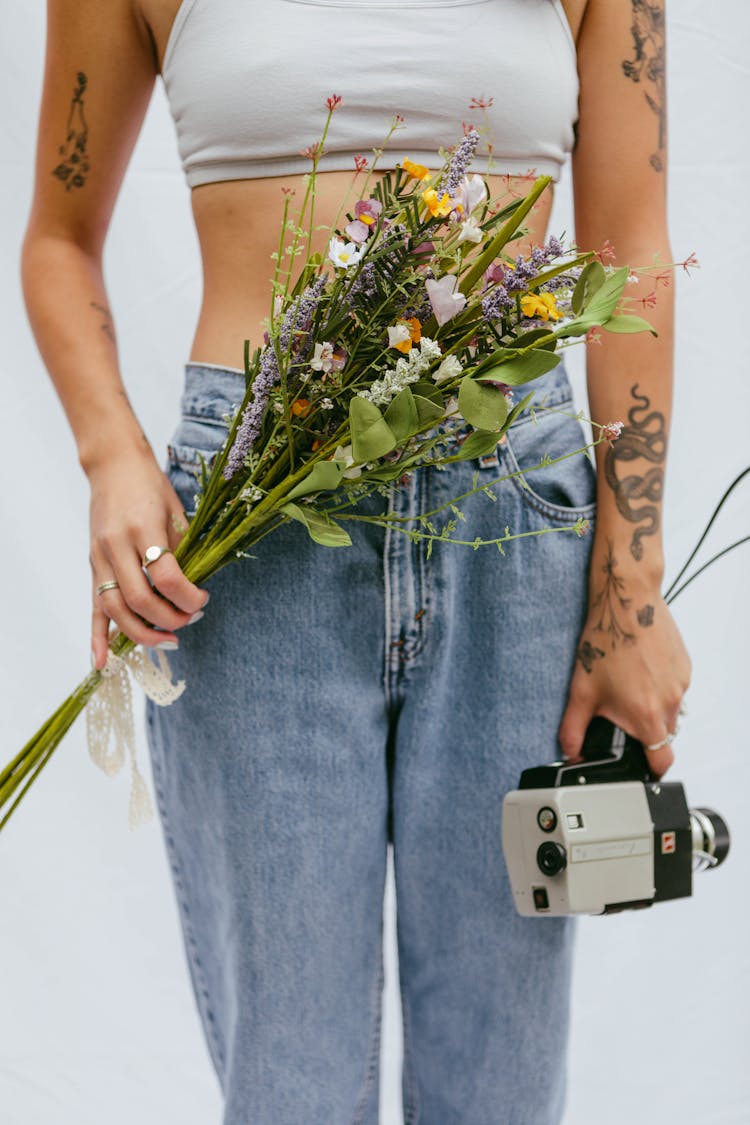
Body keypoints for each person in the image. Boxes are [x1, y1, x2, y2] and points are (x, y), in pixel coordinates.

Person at [20, 0, 690, 1121]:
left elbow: (637, 252)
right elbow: (56, 236)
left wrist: (633, 582)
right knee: (290, 1083)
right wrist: (111, 455)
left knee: (503, 1084)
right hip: (249, 529)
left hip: (513, 520)